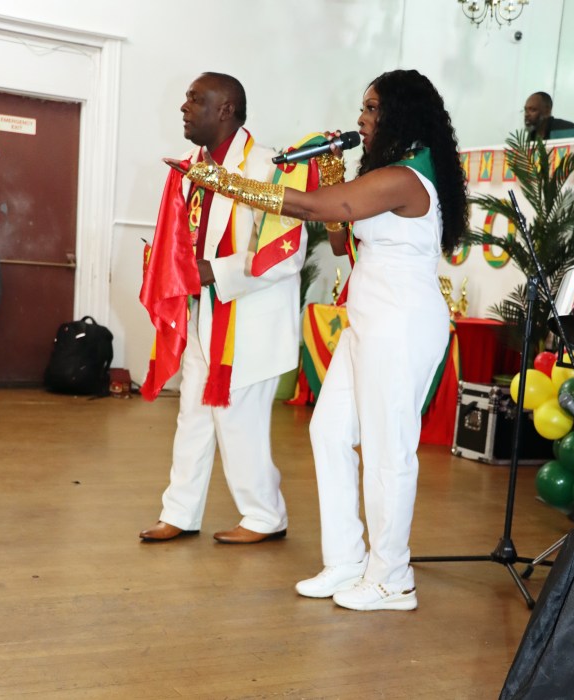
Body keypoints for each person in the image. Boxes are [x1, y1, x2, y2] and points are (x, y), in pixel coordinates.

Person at [169, 68, 468, 610]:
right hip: (368, 320)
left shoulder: (407, 177)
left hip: (400, 323)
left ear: (401, 114)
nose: (361, 118)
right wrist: (330, 175)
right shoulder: (387, 175)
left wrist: (225, 182)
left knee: (387, 452)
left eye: (372, 109)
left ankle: (392, 577)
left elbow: (313, 210)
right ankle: (347, 561)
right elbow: (337, 235)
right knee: (329, 433)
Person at [140, 72, 307, 544]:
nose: (184, 106)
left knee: (238, 421)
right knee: (192, 414)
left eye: (196, 99)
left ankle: (264, 516)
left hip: (247, 317)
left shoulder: (270, 166)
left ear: (226, 109)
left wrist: (214, 271)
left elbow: (288, 252)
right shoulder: (195, 165)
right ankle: (180, 510)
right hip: (202, 313)